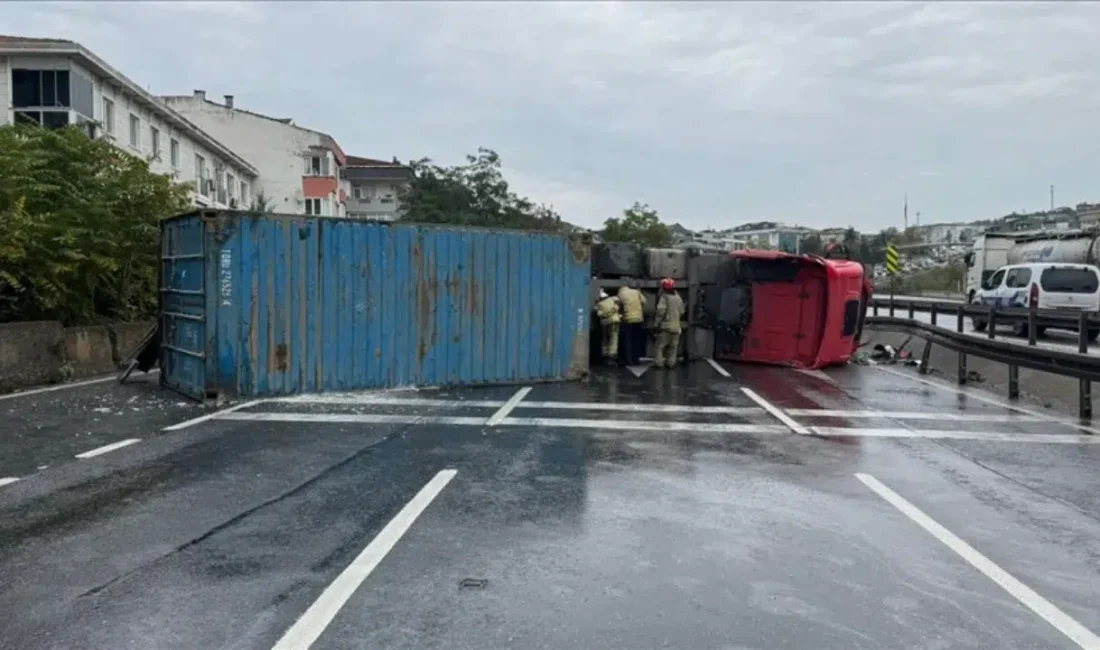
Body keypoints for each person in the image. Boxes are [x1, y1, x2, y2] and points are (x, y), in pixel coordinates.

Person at [653, 278, 684, 369]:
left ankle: (659, 363)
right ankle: (671, 363)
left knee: (659, 346)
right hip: (676, 327)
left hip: (666, 326)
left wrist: (656, 324)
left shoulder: (664, 297)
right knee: (673, 347)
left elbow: (660, 312)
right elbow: (682, 311)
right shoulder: (678, 298)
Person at [617, 283, 645, 365]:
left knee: (627, 340)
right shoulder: (636, 292)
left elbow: (619, 307)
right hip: (639, 319)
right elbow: (643, 301)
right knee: (636, 340)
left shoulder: (620, 294)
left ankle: (628, 361)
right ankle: (636, 360)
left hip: (628, 319)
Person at [594, 289, 622, 366]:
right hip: (615, 322)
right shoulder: (613, 300)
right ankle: (612, 355)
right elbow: (617, 305)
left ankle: (605, 355)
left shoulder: (599, 305)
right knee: (614, 338)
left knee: (605, 339)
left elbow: (600, 314)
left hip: (606, 323)